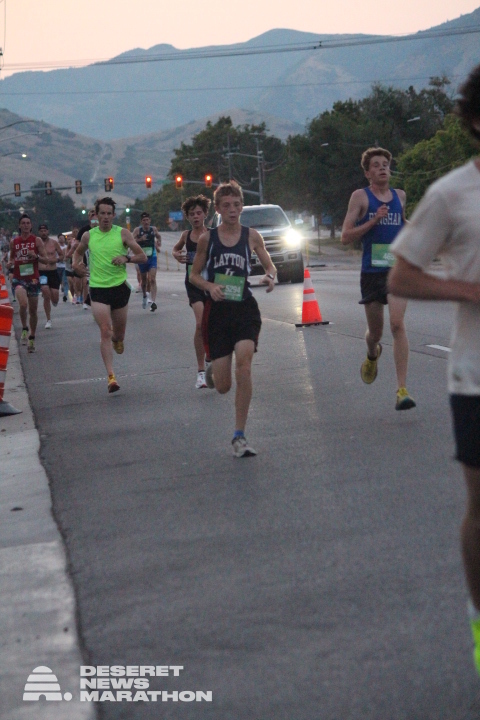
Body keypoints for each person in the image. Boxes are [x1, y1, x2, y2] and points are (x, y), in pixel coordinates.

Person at [388, 63, 480, 674]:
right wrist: (468, 292)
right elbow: (402, 276)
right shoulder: (451, 194)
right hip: (476, 377)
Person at [190, 181, 276, 457]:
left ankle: (239, 435)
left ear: (241, 207)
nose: (232, 210)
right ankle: (214, 371)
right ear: (217, 209)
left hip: (244, 309)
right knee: (224, 387)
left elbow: (269, 264)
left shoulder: (252, 236)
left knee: (245, 365)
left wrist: (270, 276)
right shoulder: (208, 240)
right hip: (218, 313)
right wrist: (210, 287)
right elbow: (194, 275)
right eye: (226, 205)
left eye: (237, 205)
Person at [341, 147, 415, 410]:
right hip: (372, 272)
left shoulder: (400, 196)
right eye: (376, 165)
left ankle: (402, 390)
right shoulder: (360, 197)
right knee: (376, 333)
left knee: (397, 324)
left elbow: (402, 223)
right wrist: (373, 220)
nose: (382, 167)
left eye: (385, 164)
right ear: (367, 173)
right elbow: (345, 236)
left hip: (397, 270)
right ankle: (372, 354)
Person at [72, 197, 146, 393]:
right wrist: (76, 265)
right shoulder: (88, 236)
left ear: (113, 215)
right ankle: (111, 377)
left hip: (119, 288)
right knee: (105, 330)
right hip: (98, 289)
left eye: (108, 214)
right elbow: (77, 253)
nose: (105, 217)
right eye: (102, 213)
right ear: (96, 216)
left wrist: (126, 258)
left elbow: (142, 256)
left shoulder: (123, 233)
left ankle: (117, 340)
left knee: (118, 335)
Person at [172, 195, 211, 389]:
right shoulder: (186, 236)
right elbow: (175, 249)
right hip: (193, 283)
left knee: (212, 324)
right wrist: (177, 255)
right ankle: (201, 371)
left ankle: (210, 353)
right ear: (187, 217)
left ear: (205, 214)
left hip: (211, 283)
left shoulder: (212, 235)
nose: (196, 217)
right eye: (192, 214)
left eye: (199, 213)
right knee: (200, 324)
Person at [8, 214, 48, 353]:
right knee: (23, 304)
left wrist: (36, 256)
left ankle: (32, 336)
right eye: (23, 223)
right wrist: (10, 263)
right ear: (19, 226)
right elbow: (12, 258)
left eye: (28, 223)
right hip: (19, 278)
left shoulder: (36, 240)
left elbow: (45, 259)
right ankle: (24, 327)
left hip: (33, 279)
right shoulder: (14, 242)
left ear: (31, 226)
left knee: (33, 310)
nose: (25, 225)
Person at [132, 212, 162, 311]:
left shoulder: (153, 229)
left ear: (150, 220)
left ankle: (153, 301)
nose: (146, 222)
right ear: (141, 222)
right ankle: (145, 295)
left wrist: (159, 242)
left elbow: (159, 236)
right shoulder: (137, 230)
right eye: (144, 220)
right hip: (142, 258)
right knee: (144, 281)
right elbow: (131, 241)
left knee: (152, 279)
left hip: (152, 257)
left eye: (147, 220)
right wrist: (140, 239)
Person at [37, 223, 64, 328]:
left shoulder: (54, 243)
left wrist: (56, 260)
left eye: (45, 231)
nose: (43, 233)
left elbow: (62, 255)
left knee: (55, 297)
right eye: (41, 231)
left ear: (48, 231)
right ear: (39, 232)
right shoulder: (37, 243)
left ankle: (54, 301)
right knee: (45, 293)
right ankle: (48, 319)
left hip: (53, 271)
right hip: (42, 272)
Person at [56, 234, 69, 302]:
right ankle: (56, 293)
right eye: (60, 238)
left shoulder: (67, 247)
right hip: (57, 266)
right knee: (58, 280)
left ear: (64, 239)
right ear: (58, 239)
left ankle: (65, 295)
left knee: (65, 280)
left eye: (62, 238)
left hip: (65, 266)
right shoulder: (56, 247)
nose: (61, 239)